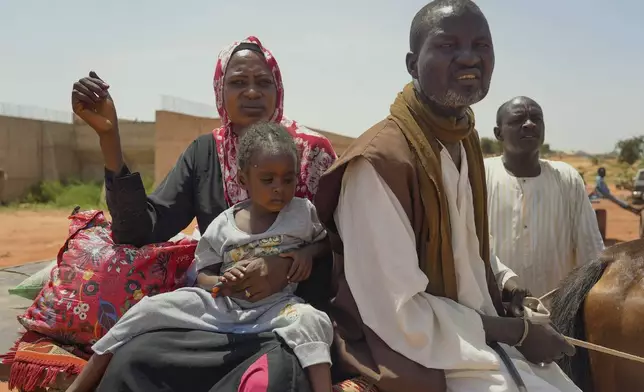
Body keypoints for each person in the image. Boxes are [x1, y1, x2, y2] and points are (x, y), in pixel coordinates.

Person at [314, 1, 580, 391]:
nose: (469, 57)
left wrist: (504, 281)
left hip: (477, 328)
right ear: (411, 63)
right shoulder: (378, 163)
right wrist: (517, 334)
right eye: (447, 45)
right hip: (411, 347)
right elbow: (398, 312)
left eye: (481, 45)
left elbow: (469, 249)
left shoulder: (464, 138)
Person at [70, 36, 336, 391]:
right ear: (220, 91)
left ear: (279, 88)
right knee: (133, 361)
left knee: (273, 380)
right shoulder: (204, 153)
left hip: (282, 323)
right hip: (217, 318)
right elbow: (142, 230)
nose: (253, 92)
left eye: (263, 82)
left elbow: (340, 242)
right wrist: (110, 139)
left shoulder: (310, 152)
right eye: (238, 82)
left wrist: (285, 267)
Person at [485, 96, 604, 297]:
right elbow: (469, 247)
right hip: (493, 313)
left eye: (536, 119)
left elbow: (590, 251)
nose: (530, 124)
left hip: (557, 314)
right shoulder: (479, 175)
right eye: (518, 120)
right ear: (498, 133)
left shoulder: (567, 178)